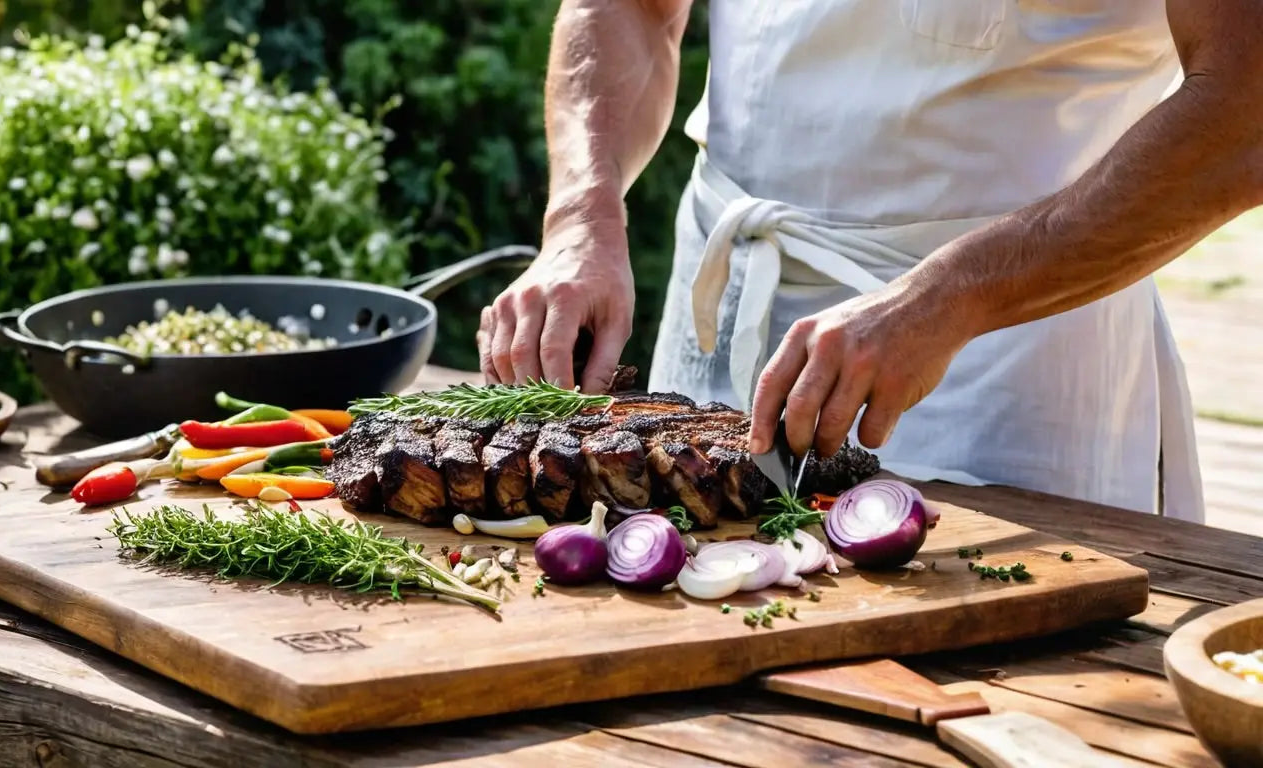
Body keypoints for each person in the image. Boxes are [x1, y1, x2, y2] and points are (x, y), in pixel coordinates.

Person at [477, 1, 1263, 522]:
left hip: (998, 373)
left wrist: (949, 298)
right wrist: (581, 214)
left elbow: (1244, 110)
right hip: (714, 349)